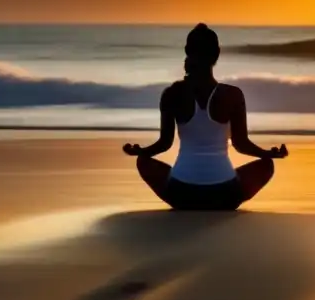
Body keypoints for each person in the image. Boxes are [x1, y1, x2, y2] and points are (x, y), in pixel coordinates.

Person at [123, 23, 288, 210]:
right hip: (225, 194)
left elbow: (164, 143)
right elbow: (241, 144)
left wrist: (140, 151)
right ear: (217, 54)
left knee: (143, 162)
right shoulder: (232, 95)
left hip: (181, 194)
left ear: (187, 51)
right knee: (266, 165)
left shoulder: (172, 93)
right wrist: (268, 154)